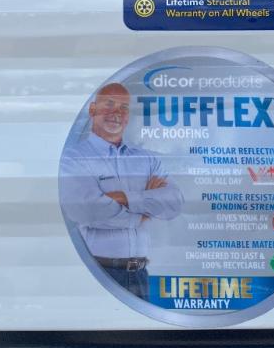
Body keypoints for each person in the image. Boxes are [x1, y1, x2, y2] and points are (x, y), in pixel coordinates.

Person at [60, 82, 184, 301]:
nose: (116, 113)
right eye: (109, 104)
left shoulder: (146, 159)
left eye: (124, 107)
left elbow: (174, 203)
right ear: (92, 109)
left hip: (140, 276)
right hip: (98, 273)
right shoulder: (74, 158)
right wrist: (144, 211)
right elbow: (86, 211)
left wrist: (123, 198)